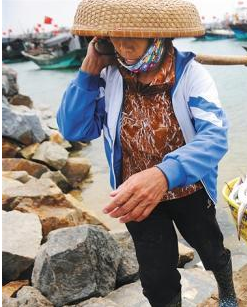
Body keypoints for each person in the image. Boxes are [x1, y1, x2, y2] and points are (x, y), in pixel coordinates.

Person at [57, 1, 237, 306]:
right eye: (115, 35)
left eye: (134, 34)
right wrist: (88, 71)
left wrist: (164, 174)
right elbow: (74, 130)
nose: (124, 44)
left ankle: (228, 292)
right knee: (156, 279)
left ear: (156, 33)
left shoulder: (190, 74)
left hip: (188, 187)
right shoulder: (110, 76)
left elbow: (215, 137)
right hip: (136, 197)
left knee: (211, 248)